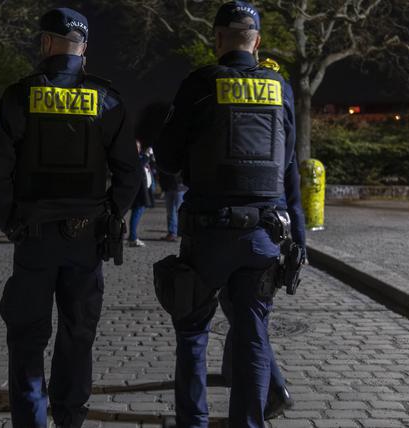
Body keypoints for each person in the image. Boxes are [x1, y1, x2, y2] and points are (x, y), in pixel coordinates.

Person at [153, 2, 308, 426]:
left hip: (208, 233)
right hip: (263, 235)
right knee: (253, 335)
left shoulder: (201, 83)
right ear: (257, 42)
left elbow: (166, 158)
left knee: (193, 333)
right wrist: (299, 239)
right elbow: (289, 168)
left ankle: (194, 421)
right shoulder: (280, 88)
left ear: (218, 39)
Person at [0, 8, 141, 427]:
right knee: (78, 332)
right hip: (86, 238)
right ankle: (70, 417)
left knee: (27, 335)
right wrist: (112, 214)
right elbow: (129, 172)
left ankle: (31, 418)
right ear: (83, 49)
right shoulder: (107, 99)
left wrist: (10, 220)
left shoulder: (20, 96)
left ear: (46, 43)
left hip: (33, 236)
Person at [127, 140, 155, 248]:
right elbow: (139, 166)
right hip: (138, 193)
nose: (137, 149)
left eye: (138, 147)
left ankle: (133, 236)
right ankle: (133, 238)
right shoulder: (133, 159)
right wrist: (147, 155)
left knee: (138, 214)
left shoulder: (140, 157)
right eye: (135, 147)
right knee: (136, 214)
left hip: (144, 191)